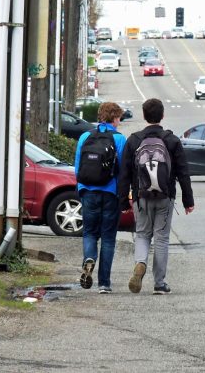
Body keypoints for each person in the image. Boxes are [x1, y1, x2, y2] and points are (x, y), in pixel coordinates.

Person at [119, 98, 194, 295]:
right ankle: (159, 283)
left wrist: (123, 201)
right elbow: (183, 173)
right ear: (162, 116)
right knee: (161, 238)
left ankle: (140, 263)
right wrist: (188, 201)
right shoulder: (172, 140)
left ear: (144, 116)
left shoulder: (134, 140)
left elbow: (124, 173)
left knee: (142, 234)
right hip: (165, 196)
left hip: (141, 197)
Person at [74, 102, 127, 294]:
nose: (119, 121)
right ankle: (104, 283)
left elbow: (78, 166)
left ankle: (89, 258)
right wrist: (124, 195)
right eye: (119, 118)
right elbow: (123, 170)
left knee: (89, 233)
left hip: (89, 191)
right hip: (110, 193)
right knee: (108, 238)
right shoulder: (120, 139)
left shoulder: (85, 137)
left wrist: (81, 189)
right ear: (114, 118)